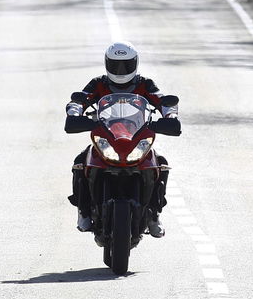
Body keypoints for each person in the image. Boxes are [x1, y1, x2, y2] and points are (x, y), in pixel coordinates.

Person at [65, 41, 180, 238]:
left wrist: (170, 116)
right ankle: (83, 212)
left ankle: (154, 215)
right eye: (115, 65)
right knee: (79, 161)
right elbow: (79, 99)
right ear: (107, 63)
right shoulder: (98, 83)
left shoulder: (145, 84)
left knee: (160, 163)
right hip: (107, 134)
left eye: (125, 65)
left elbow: (161, 101)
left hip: (136, 135)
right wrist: (75, 111)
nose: (120, 70)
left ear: (135, 63)